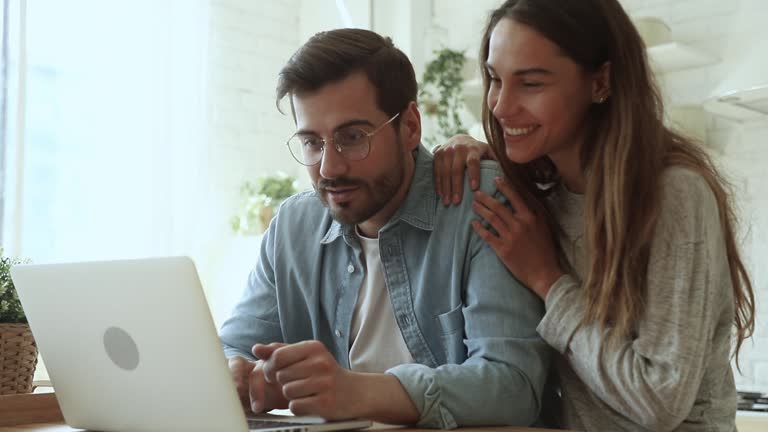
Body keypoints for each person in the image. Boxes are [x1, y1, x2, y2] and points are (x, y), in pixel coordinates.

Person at [433, 0, 755, 431]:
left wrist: (547, 280)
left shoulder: (675, 195)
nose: (501, 106)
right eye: (495, 78)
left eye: (530, 83)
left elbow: (660, 402)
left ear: (600, 81)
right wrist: (468, 150)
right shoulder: (541, 196)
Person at [218, 28, 552, 429]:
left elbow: (512, 387)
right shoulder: (293, 226)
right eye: (312, 143)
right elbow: (231, 347)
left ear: (410, 126)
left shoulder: (481, 202)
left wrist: (355, 391)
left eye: (353, 137)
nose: (329, 168)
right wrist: (238, 373)